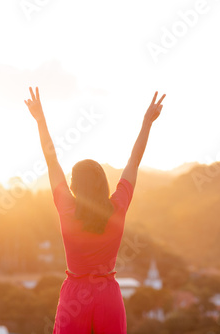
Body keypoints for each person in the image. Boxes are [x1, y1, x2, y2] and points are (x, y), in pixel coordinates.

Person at [24, 87, 165, 334]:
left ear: (75, 186)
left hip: (74, 297)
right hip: (107, 297)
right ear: (103, 182)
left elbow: (51, 159)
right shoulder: (118, 205)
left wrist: (40, 119)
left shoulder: (67, 208)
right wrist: (146, 123)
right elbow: (134, 161)